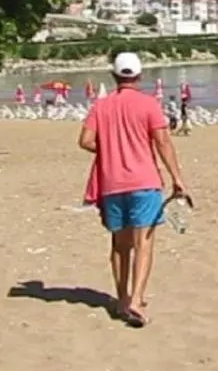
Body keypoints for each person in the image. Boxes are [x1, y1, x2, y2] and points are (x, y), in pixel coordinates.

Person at [78, 52, 188, 328]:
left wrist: (111, 148)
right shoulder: (149, 105)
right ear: (139, 76)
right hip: (144, 181)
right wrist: (177, 177)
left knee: (119, 245)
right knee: (144, 244)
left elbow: (85, 141)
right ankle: (137, 300)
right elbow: (163, 142)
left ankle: (123, 298)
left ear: (114, 76)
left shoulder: (101, 106)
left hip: (111, 182)